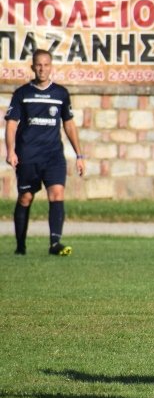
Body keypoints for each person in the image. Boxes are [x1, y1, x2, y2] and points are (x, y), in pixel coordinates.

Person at [5, 49, 85, 256]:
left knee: (57, 193)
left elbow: (69, 125)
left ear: (51, 67)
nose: (42, 69)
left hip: (53, 155)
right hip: (28, 155)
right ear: (33, 67)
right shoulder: (22, 94)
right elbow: (12, 125)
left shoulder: (60, 94)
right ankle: (20, 246)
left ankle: (54, 244)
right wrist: (10, 151)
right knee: (25, 197)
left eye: (46, 65)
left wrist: (79, 155)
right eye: (38, 65)